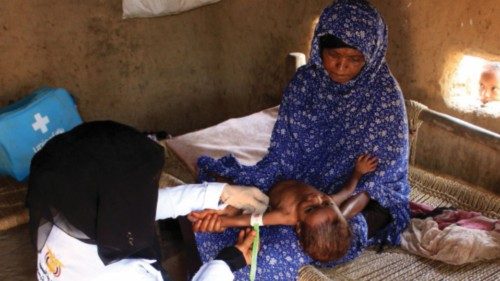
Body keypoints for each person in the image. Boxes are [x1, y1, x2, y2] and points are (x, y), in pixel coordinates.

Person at [195, 0, 410, 279]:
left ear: (372, 55)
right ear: (319, 47)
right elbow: (285, 151)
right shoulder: (305, 82)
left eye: (355, 59)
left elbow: (380, 179)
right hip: (306, 185)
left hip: (364, 197)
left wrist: (338, 216)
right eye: (334, 54)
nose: (342, 65)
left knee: (329, 240)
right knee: (220, 199)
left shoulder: (384, 97)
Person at [26, 121, 268, 281]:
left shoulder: (68, 222)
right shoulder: (126, 275)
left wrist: (218, 194)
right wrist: (226, 263)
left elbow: (139, 205)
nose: (144, 196)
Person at [190, 155, 391, 263]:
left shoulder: (286, 215)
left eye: (311, 209)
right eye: (326, 204)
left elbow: (251, 220)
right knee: (363, 193)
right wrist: (358, 172)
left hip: (270, 189)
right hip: (287, 176)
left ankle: (346, 215)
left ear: (299, 227)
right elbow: (348, 189)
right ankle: (346, 215)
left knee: (234, 187)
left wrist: (222, 222)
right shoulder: (327, 200)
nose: (316, 198)